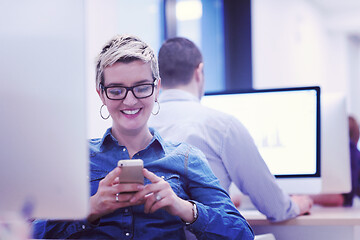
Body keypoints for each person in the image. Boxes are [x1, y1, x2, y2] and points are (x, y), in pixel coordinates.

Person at [32, 34, 254, 239]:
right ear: (101, 94)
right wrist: (90, 208)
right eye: (117, 91)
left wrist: (184, 208)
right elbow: (27, 231)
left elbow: (242, 233)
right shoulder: (76, 159)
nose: (130, 101)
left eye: (141, 88)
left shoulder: (186, 158)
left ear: (157, 88)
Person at [148, 37, 313, 222]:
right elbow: (274, 207)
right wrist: (297, 204)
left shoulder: (138, 127)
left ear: (158, 79)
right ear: (199, 72)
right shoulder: (222, 126)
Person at [310, 115, 360, 206]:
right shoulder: (354, 153)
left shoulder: (348, 152)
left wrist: (300, 197)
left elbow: (338, 198)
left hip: (340, 211)